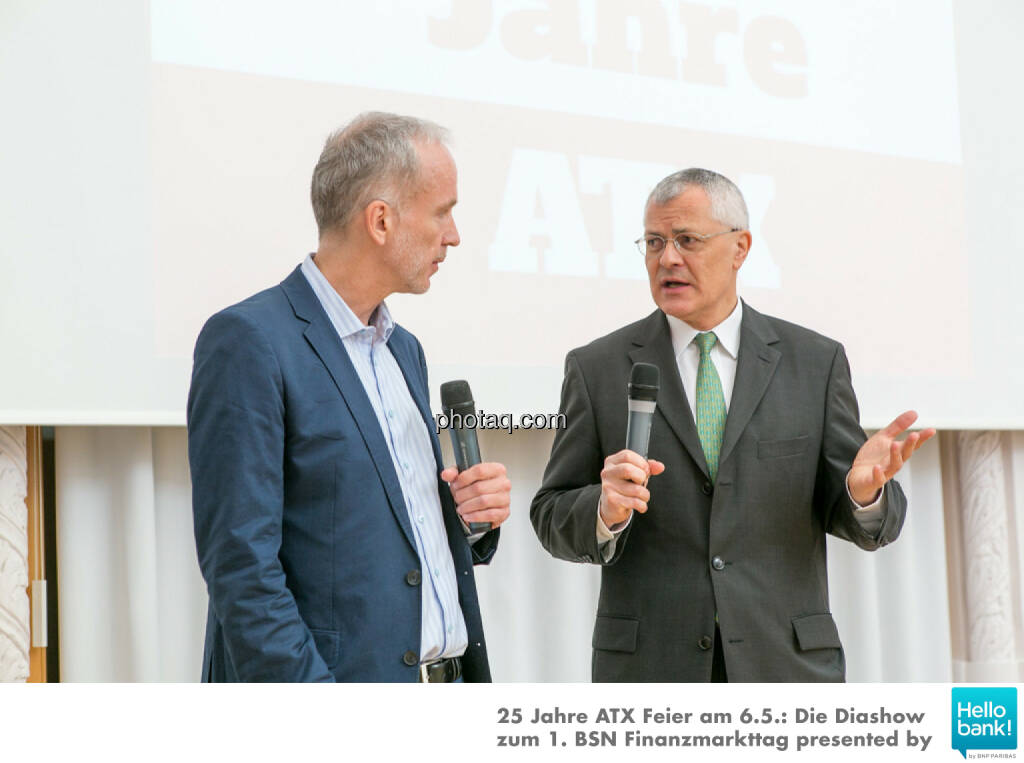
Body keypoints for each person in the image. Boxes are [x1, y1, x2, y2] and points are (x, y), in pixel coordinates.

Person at [530, 168, 934, 682]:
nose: (667, 258)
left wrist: (862, 494)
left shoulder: (814, 362)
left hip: (785, 666)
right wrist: (604, 510)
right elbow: (551, 512)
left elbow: (868, 521)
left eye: (687, 240)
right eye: (654, 242)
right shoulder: (597, 368)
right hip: (652, 670)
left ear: (740, 247)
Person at [187, 112, 511, 682]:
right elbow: (242, 568)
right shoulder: (249, 341)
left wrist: (469, 520)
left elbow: (385, 536)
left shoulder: (404, 349)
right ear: (381, 220)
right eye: (442, 212)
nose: (454, 235)